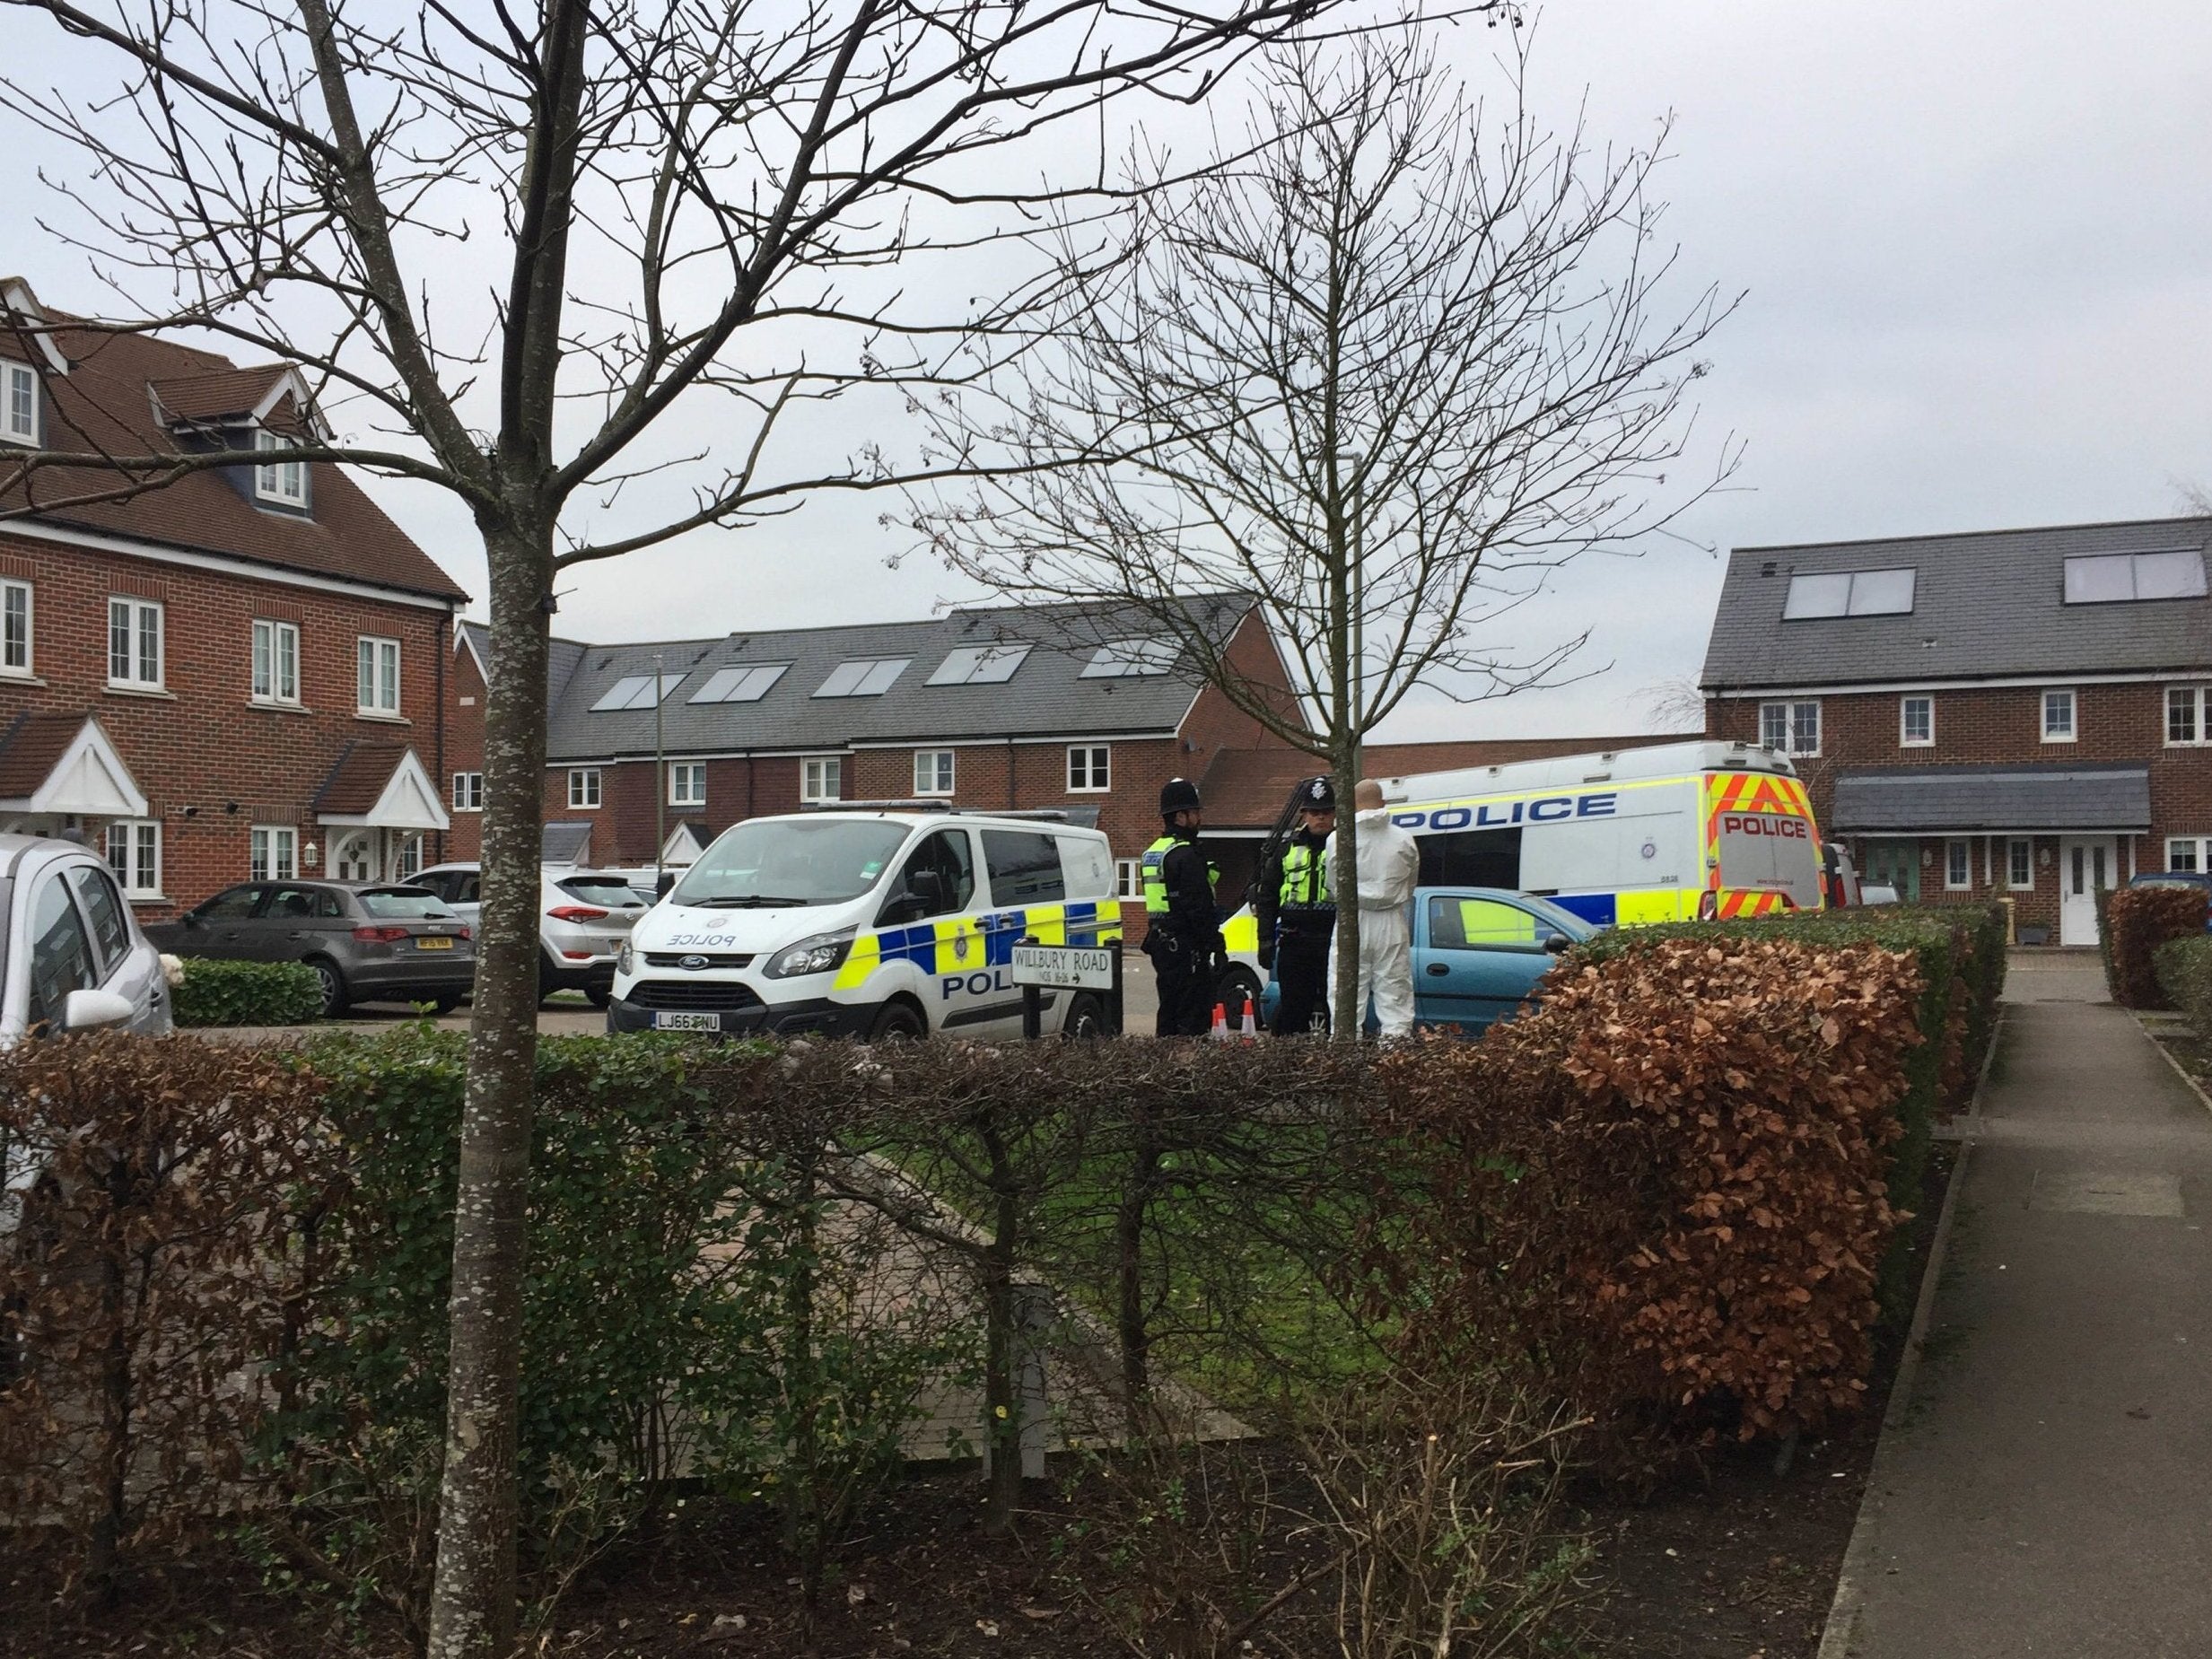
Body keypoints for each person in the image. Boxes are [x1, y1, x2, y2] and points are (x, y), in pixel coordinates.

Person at [1327, 779, 1420, 1037]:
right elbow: (1410, 884)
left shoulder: (1338, 839)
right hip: (1391, 921)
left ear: (1351, 805)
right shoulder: (1404, 839)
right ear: (1383, 803)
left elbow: (1333, 885)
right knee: (1395, 999)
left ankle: (1345, 1061)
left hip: (1352, 919)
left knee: (1344, 998)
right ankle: (1394, 1063)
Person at [1140, 776, 1222, 1036]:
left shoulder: (1154, 851)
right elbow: (1198, 907)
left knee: (1168, 1011)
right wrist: (1215, 945)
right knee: (1192, 1018)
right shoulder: (1186, 855)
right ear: (1180, 817)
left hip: (1161, 945)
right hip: (1187, 948)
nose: (1199, 818)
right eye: (1195, 812)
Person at [1255, 775, 1336, 1035]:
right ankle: (1291, 1068)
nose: (1320, 818)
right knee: (1292, 1010)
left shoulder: (1346, 848)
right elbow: (1266, 896)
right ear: (1304, 815)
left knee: (1333, 1009)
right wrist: (1265, 939)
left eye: (1325, 812)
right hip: (1294, 942)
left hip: (1332, 943)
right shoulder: (1285, 850)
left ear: (1335, 814)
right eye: (1314, 812)